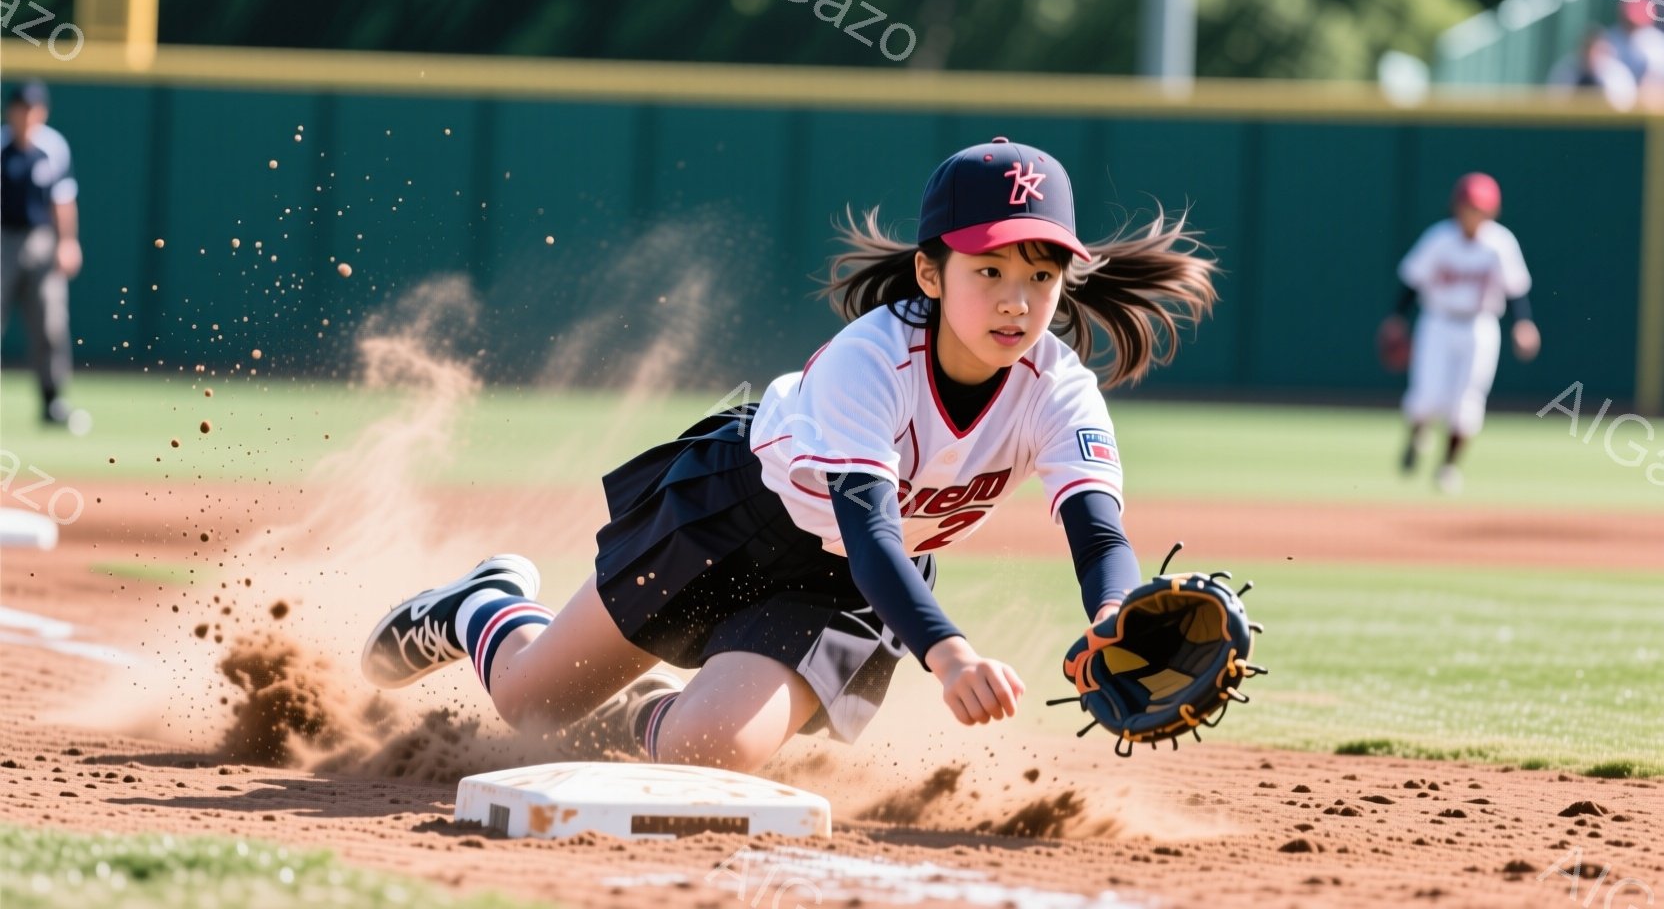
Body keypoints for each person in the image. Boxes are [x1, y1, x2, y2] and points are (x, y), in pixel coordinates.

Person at [361, 138, 1218, 772]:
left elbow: (1099, 535)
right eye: (989, 269)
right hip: (733, 511)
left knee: (710, 752)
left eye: (1041, 275)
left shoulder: (1059, 386)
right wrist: (950, 653)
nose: (1017, 301)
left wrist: (1115, 615)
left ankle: (669, 720)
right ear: (930, 273)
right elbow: (872, 527)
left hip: (844, 588)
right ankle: (479, 604)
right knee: (529, 705)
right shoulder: (869, 362)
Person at [1383, 172, 1537, 495]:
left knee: (1466, 403)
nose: (1473, 214)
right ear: (1457, 207)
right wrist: (1397, 317)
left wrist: (1523, 323)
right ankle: (1417, 435)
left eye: (1479, 209)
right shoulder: (1439, 239)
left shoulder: (1500, 243)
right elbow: (1412, 281)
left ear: (1492, 211)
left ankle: (1448, 466)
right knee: (1427, 397)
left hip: (1480, 326)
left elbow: (1515, 290)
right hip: (1438, 322)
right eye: (1468, 207)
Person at [1, 80, 84, 429]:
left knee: (50, 324)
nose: (28, 115)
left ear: (43, 112)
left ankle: (52, 402)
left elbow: (62, 200)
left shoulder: (53, 146)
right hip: (3, 240)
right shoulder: (2, 144)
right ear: (11, 111)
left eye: (34, 108)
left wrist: (68, 241)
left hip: (40, 240)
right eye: (22, 107)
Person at [1547, 27, 1638, 111]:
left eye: (1597, 50)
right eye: (1587, 49)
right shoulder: (1565, 69)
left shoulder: (1618, 74)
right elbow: (1556, 105)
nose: (1591, 55)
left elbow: (1623, 109)